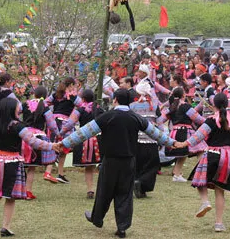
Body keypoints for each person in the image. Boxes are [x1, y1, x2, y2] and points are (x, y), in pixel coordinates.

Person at [62, 88, 179, 239]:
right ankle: (122, 227)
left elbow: (84, 132)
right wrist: (173, 143)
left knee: (104, 190)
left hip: (110, 160)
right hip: (129, 161)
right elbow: (156, 134)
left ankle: (97, 218)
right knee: (125, 194)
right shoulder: (136, 118)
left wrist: (63, 143)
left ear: (115, 99)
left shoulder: (107, 116)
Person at [0, 97, 61, 237]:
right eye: (17, 107)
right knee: (10, 197)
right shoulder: (18, 126)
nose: (19, 109)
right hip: (12, 162)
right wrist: (52, 146)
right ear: (11, 109)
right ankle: (5, 227)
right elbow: (34, 142)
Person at [185, 93, 230, 233]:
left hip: (213, 155)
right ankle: (219, 224)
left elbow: (197, 137)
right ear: (227, 104)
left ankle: (205, 202)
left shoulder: (211, 121)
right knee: (220, 191)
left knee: (199, 181)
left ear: (214, 105)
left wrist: (183, 143)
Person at [60, 89, 104, 198]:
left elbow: (70, 123)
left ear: (83, 99)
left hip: (84, 139)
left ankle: (90, 189)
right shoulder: (100, 109)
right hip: (98, 140)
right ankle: (102, 189)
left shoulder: (80, 110)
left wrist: (61, 133)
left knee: (88, 167)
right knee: (99, 165)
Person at [156, 87, 206, 182]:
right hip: (186, 132)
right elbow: (198, 118)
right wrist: (210, 121)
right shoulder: (186, 106)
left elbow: (160, 120)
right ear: (184, 95)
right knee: (201, 149)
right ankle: (201, 173)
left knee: (183, 154)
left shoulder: (171, 107)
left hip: (174, 132)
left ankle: (177, 174)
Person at [21, 86, 58, 200]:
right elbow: (51, 124)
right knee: (32, 167)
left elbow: (16, 116)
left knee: (21, 165)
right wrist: (57, 133)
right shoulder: (45, 107)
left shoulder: (24, 104)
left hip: (24, 136)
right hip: (37, 138)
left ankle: (18, 190)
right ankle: (27, 192)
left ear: (34, 94)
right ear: (46, 96)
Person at [130, 80, 161, 198]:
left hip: (136, 140)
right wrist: (161, 139)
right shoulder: (154, 106)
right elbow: (160, 124)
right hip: (151, 139)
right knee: (152, 165)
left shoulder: (132, 106)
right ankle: (142, 184)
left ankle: (137, 182)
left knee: (137, 164)